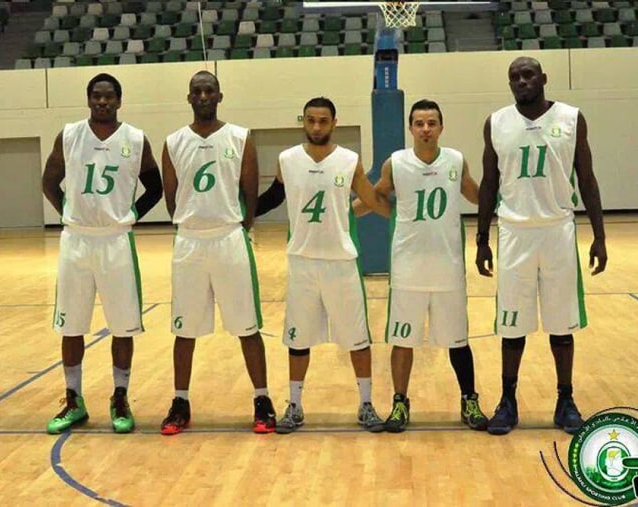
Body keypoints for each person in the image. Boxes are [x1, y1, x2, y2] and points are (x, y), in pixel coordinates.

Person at [475, 57, 608, 435]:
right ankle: (508, 400)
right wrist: (482, 239)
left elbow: (587, 178)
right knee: (511, 325)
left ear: (543, 78)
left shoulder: (570, 118)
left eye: (528, 74)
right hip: (514, 232)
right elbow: (489, 183)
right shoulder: (496, 122)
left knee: (561, 325)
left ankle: (565, 399)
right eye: (515, 77)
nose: (521, 81)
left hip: (557, 230)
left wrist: (599, 235)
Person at [257, 97, 391, 434]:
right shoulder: (287, 159)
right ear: (304, 121)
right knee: (298, 340)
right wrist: (241, 214)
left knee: (357, 339)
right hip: (302, 261)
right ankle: (295, 406)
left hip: (341, 262)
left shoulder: (348, 160)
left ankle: (365, 405)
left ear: (334, 122)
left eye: (324, 121)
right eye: (312, 120)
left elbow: (371, 199)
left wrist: (406, 219)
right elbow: (273, 196)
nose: (317, 127)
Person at [354, 99, 489, 433]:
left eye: (432, 123)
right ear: (410, 128)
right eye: (419, 123)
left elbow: (477, 195)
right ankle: (400, 403)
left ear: (441, 127)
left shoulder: (455, 160)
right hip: (407, 267)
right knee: (403, 340)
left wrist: (509, 194)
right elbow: (375, 197)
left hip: (448, 267)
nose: (426, 129)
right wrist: (338, 215)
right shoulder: (396, 163)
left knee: (458, 340)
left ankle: (469, 400)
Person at [42, 73, 163, 434]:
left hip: (115, 241)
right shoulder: (69, 135)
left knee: (122, 324)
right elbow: (50, 180)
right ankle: (74, 399)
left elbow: (154, 187)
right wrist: (67, 210)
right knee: (72, 324)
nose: (102, 102)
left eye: (109, 97)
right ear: (88, 99)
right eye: (96, 96)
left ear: (119, 101)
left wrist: (133, 215)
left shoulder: (136, 139)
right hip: (76, 240)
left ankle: (120, 396)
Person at [159, 70, 276, 435]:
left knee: (247, 326)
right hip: (190, 240)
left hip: (229, 238)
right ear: (189, 97)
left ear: (220, 96)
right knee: (184, 329)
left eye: (210, 90)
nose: (204, 96)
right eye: (198, 91)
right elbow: (171, 198)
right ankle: (180, 401)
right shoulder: (174, 141)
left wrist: (242, 224)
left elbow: (250, 190)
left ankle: (262, 399)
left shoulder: (240, 137)